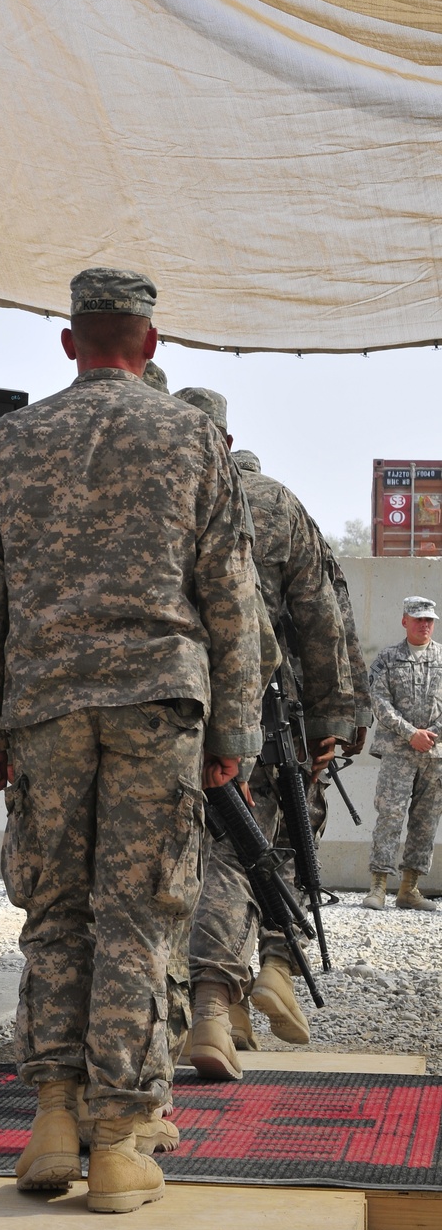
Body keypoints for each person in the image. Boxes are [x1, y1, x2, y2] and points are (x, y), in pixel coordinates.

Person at [0, 269, 262, 1215]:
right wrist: (232, 729)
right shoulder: (193, 437)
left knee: (54, 912)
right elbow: (230, 598)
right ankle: (119, 1143)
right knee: (139, 916)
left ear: (71, 342)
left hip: (43, 705)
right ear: (151, 344)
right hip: (158, 705)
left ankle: (50, 1119)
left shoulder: (15, 437)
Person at [174, 392, 356, 1077]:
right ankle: (222, 1000)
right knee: (241, 852)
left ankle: (215, 1012)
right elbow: (321, 619)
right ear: (226, 436)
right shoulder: (270, 502)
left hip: (140, 713)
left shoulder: (131, 489)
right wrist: (332, 721)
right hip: (249, 713)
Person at [363, 597, 442, 913]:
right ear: (404, 621)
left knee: (425, 821)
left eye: (429, 620)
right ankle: (378, 887)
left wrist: (431, 735)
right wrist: (412, 734)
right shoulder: (387, 659)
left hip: (435, 755)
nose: (424, 625)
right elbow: (379, 703)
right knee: (390, 815)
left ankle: (409, 889)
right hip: (399, 753)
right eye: (418, 619)